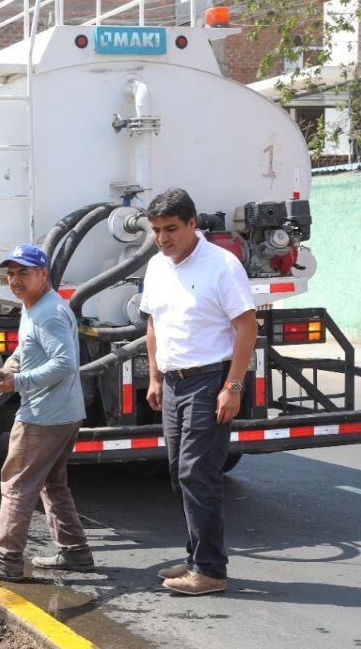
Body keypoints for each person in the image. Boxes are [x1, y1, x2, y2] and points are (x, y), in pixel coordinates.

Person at [139, 187, 257, 595]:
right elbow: (153, 323)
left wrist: (233, 386)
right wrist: (155, 378)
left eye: (171, 228)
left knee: (198, 474)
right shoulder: (157, 266)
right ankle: (195, 558)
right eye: (156, 230)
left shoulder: (222, 265)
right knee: (179, 474)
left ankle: (209, 570)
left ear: (193, 223)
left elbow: (246, 326)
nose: (163, 238)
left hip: (209, 382)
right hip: (173, 382)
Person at [0, 244, 94, 580]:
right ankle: (75, 552)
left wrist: (17, 382)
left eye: (23, 272)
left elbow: (64, 363)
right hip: (63, 412)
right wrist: (8, 368)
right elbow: (28, 350)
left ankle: (6, 560)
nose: (15, 280)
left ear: (43, 273)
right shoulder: (34, 306)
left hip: (43, 416)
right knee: (52, 483)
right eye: (11, 274)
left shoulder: (49, 312)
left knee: (16, 484)